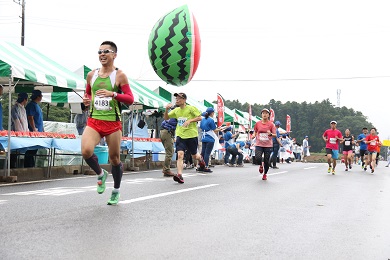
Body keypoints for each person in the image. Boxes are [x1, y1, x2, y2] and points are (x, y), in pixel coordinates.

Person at [81, 41, 134, 205]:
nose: (102, 54)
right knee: (86, 151)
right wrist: (86, 101)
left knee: (115, 159)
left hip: (112, 124)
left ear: (114, 55)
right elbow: (88, 95)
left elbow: (130, 99)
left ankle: (116, 190)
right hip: (94, 121)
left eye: (106, 51)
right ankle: (100, 174)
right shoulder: (91, 75)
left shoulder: (119, 75)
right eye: (99, 52)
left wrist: (113, 94)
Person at [164, 92, 203, 184]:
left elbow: (200, 117)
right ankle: (180, 175)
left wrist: (190, 120)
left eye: (179, 98)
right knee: (180, 155)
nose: (177, 100)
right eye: (176, 98)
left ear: (184, 100)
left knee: (194, 156)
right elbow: (166, 118)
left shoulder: (191, 108)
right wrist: (166, 110)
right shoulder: (176, 110)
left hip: (192, 135)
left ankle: (201, 160)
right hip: (180, 135)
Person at [253, 108, 276, 180]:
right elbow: (255, 131)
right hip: (259, 144)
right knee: (257, 157)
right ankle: (260, 165)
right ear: (261, 115)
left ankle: (265, 174)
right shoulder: (257, 123)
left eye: (266, 113)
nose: (264, 114)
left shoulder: (271, 124)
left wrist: (271, 134)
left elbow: (275, 135)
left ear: (268, 115)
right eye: (263, 113)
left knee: (267, 161)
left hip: (268, 145)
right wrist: (253, 135)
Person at [25, 89, 44, 168]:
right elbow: (30, 117)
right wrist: (34, 129)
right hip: (33, 132)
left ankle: (31, 165)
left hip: (38, 131)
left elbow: (40, 120)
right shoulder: (31, 105)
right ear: (38, 97)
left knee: (34, 150)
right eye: (41, 96)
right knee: (30, 150)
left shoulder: (37, 106)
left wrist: (42, 130)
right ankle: (29, 166)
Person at [199, 107, 220, 172]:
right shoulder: (211, 120)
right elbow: (214, 129)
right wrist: (221, 129)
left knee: (202, 153)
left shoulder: (203, 119)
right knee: (207, 153)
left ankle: (201, 166)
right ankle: (206, 166)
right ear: (212, 113)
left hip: (204, 137)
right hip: (210, 138)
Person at [10, 93, 29, 168]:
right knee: (14, 151)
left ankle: (14, 166)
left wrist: (26, 131)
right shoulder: (15, 108)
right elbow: (16, 121)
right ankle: (11, 167)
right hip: (16, 132)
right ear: (25, 99)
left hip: (23, 132)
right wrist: (21, 132)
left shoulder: (23, 108)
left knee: (17, 152)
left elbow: (24, 121)